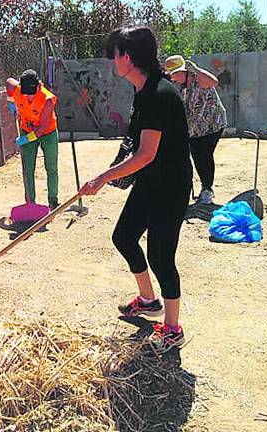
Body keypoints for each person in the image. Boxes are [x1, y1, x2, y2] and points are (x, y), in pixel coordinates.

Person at [80, 27, 192, 353]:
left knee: (160, 256)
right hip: (150, 180)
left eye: (115, 54)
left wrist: (102, 178)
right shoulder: (143, 91)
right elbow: (140, 153)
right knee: (124, 237)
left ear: (127, 57)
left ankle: (172, 328)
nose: (113, 61)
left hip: (170, 186)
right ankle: (147, 300)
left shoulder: (159, 94)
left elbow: (145, 154)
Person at [164, 55, 227, 205]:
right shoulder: (181, 86)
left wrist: (195, 68)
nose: (172, 78)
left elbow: (214, 81)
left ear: (183, 72)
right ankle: (203, 189)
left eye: (174, 74)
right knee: (197, 156)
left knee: (203, 155)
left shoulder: (199, 80)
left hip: (212, 124)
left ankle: (207, 190)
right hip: (194, 128)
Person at [6, 69, 60, 210]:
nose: (29, 98)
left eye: (32, 94)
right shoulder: (18, 89)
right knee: (27, 168)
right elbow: (9, 83)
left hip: (47, 133)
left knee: (51, 167)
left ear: (38, 86)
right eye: (26, 94)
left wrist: (25, 140)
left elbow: (41, 129)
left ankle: (53, 201)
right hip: (26, 128)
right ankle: (30, 203)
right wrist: (11, 102)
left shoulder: (47, 99)